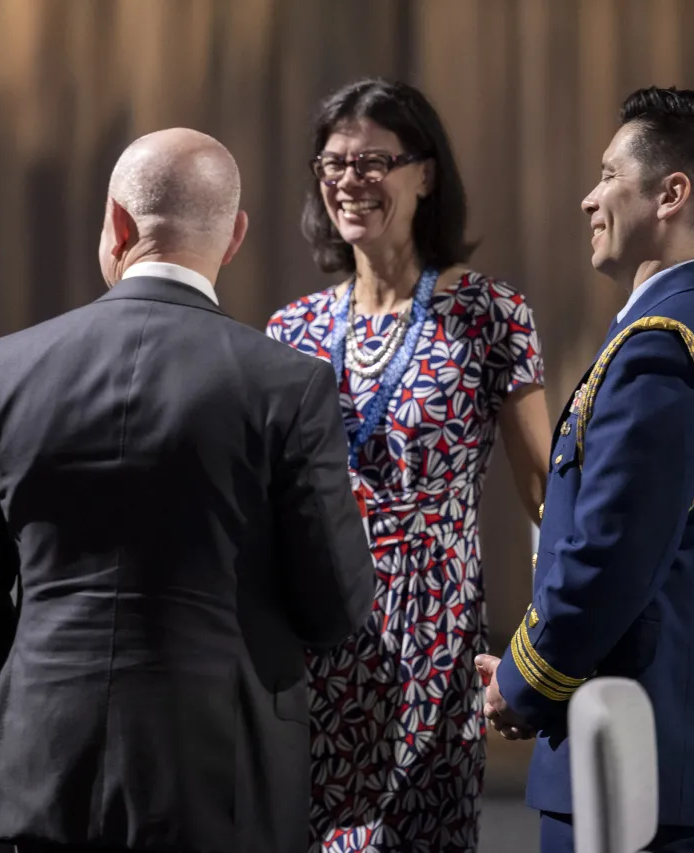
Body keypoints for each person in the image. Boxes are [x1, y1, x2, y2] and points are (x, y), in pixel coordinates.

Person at [0, 127, 374, 853]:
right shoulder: (287, 385)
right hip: (220, 776)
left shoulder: (5, 369)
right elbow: (335, 607)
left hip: (39, 766)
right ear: (234, 237)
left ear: (118, 225)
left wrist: (40, 689)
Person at [476, 86, 694, 853]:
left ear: (671, 194)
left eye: (609, 173)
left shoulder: (660, 349)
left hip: (642, 772)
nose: (588, 197)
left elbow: (609, 557)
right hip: (678, 763)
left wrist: (521, 680)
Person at [265, 77, 551, 852]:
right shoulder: (292, 327)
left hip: (434, 631)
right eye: (333, 165)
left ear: (425, 174)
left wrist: (544, 645)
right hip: (318, 631)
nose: (349, 183)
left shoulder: (490, 313)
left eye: (372, 163)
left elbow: (545, 490)